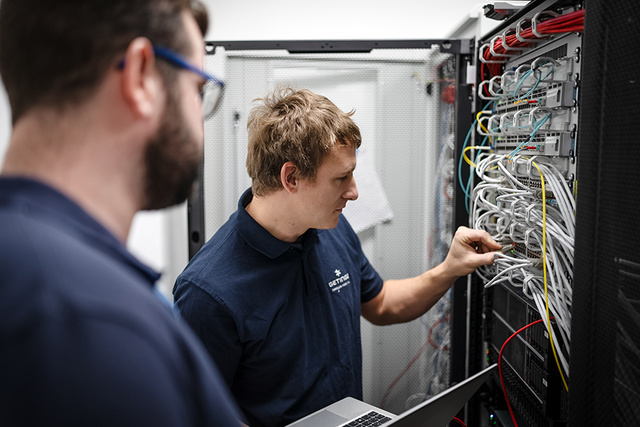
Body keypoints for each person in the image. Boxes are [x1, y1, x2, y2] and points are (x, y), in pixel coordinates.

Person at [173, 87, 501, 426]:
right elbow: (199, 414)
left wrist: (449, 269)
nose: (354, 192)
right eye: (341, 178)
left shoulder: (332, 229)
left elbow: (382, 303)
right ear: (291, 177)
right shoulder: (208, 292)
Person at [0, 0, 242, 425]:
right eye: (198, 90)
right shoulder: (90, 322)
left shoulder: (32, 276)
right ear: (141, 76)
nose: (200, 120)